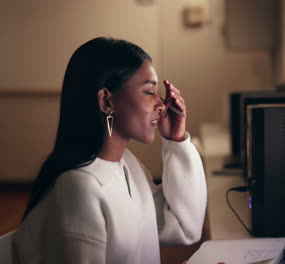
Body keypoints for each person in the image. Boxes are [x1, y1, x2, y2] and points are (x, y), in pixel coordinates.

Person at [11, 37, 207, 264]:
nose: (162, 104)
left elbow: (186, 228)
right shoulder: (79, 187)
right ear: (106, 102)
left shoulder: (126, 164)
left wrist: (176, 141)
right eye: (149, 92)